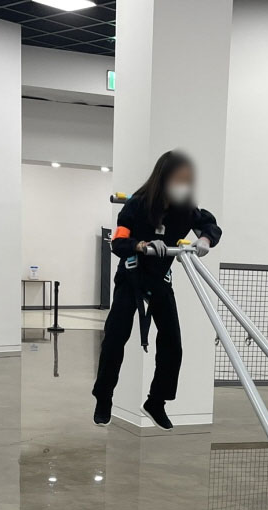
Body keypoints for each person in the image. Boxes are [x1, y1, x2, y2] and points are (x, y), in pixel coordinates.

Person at [92, 150, 221, 429]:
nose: (183, 185)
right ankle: (104, 398)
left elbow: (209, 224)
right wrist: (142, 245)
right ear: (164, 178)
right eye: (179, 179)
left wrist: (205, 240)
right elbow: (118, 242)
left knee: (173, 343)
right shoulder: (136, 205)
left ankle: (156, 401)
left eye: (187, 181)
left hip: (160, 280)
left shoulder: (185, 209)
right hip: (132, 276)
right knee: (115, 338)